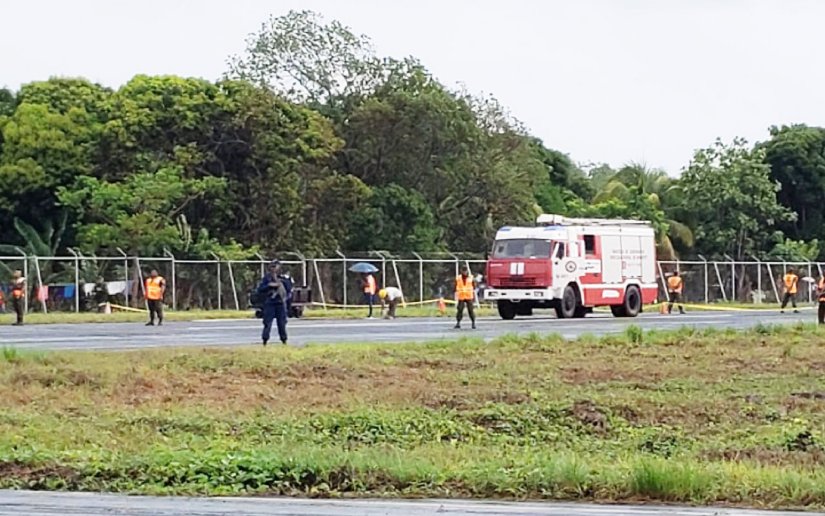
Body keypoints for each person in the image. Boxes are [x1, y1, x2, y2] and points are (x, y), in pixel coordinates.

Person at [257, 260, 293, 346]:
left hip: (281, 303)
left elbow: (289, 289)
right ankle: (265, 340)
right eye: (272, 267)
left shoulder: (285, 278)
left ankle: (284, 340)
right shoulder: (267, 278)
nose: (274, 269)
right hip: (270, 303)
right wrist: (269, 285)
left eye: (275, 267)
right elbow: (260, 289)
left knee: (282, 323)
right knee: (267, 323)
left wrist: (280, 284)